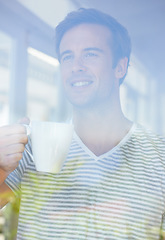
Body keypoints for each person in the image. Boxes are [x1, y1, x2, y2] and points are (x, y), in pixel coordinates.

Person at [0, 8, 165, 240]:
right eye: (67, 56)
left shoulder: (160, 155)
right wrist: (1, 167)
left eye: (90, 54)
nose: (76, 66)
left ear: (120, 67)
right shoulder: (31, 147)